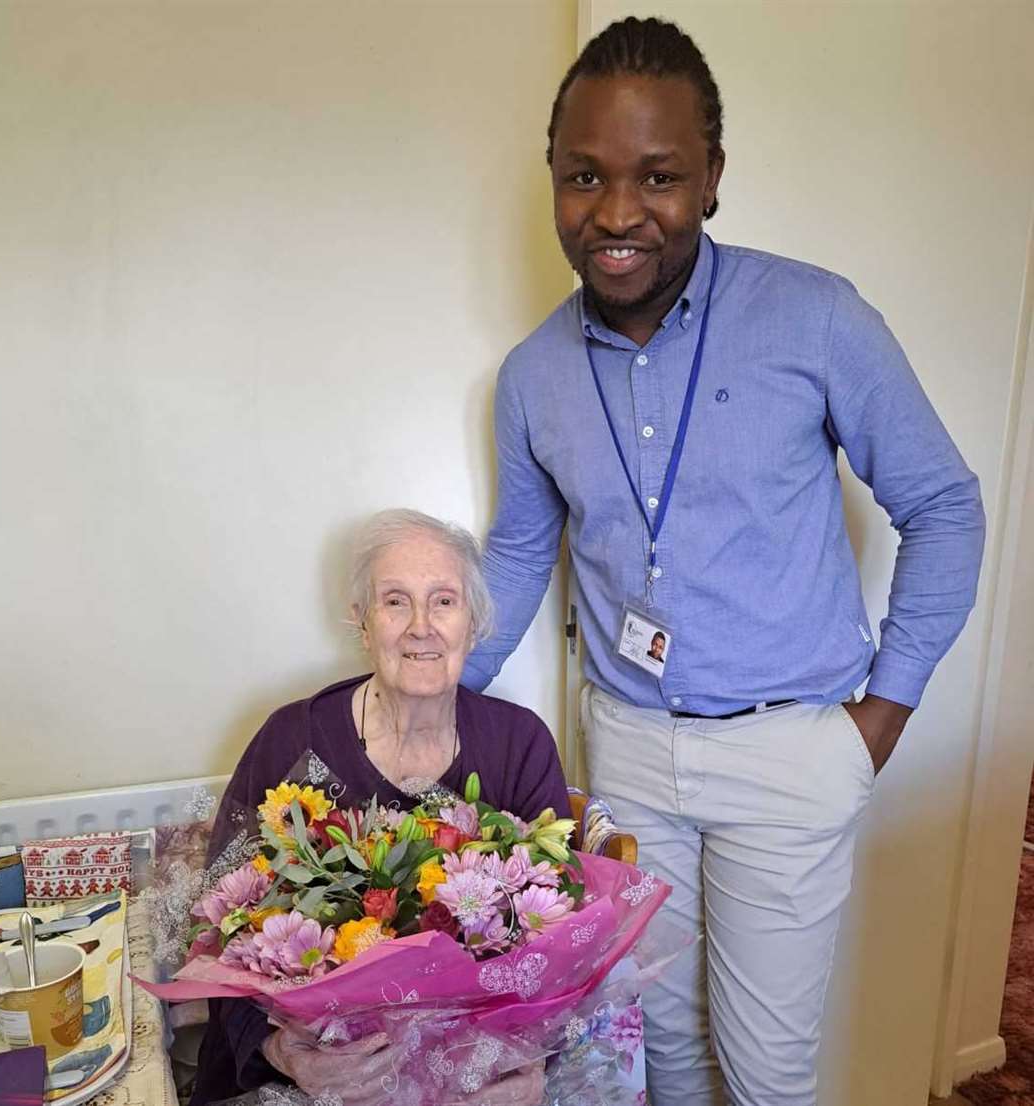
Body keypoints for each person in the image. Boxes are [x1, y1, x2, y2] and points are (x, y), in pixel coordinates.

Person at [461, 16, 985, 1106]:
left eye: (657, 176)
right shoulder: (531, 376)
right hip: (629, 754)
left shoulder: (817, 316)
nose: (615, 213)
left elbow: (943, 503)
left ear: (711, 178)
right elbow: (519, 548)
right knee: (664, 1052)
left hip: (791, 749)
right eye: (583, 176)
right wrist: (432, 692)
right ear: (552, 180)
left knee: (766, 1075)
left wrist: (877, 718)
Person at [191, 509, 563, 1106]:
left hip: (471, 1075)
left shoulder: (519, 744)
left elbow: (562, 943)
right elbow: (213, 933)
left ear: (474, 626)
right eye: (395, 602)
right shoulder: (291, 739)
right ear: (363, 624)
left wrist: (529, 1061)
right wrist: (282, 1053)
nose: (422, 627)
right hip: (317, 1077)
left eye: (444, 602)